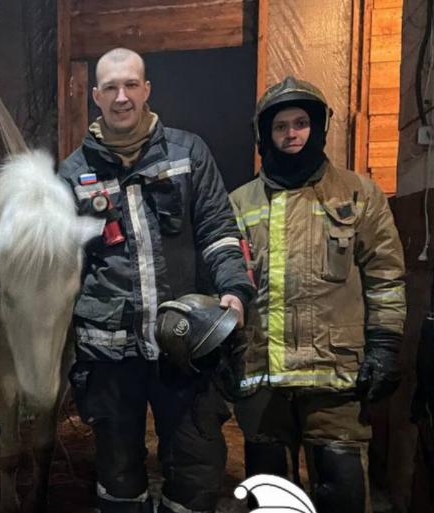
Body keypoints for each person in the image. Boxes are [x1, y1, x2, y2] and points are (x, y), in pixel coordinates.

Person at [58, 47, 255, 513]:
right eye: (110, 88)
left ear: (147, 90)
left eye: (131, 85)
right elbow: (63, 265)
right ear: (96, 97)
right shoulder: (72, 174)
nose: (121, 97)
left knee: (195, 468)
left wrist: (233, 290)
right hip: (108, 355)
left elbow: (218, 233)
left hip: (185, 345)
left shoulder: (189, 153)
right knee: (117, 475)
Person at [229, 76, 407, 513]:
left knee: (342, 491)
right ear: (264, 135)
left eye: (301, 123)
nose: (291, 134)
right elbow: (227, 284)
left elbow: (385, 276)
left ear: (318, 128)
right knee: (270, 497)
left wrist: (384, 346)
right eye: (279, 126)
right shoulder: (239, 202)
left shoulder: (358, 194)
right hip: (263, 378)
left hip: (335, 379)